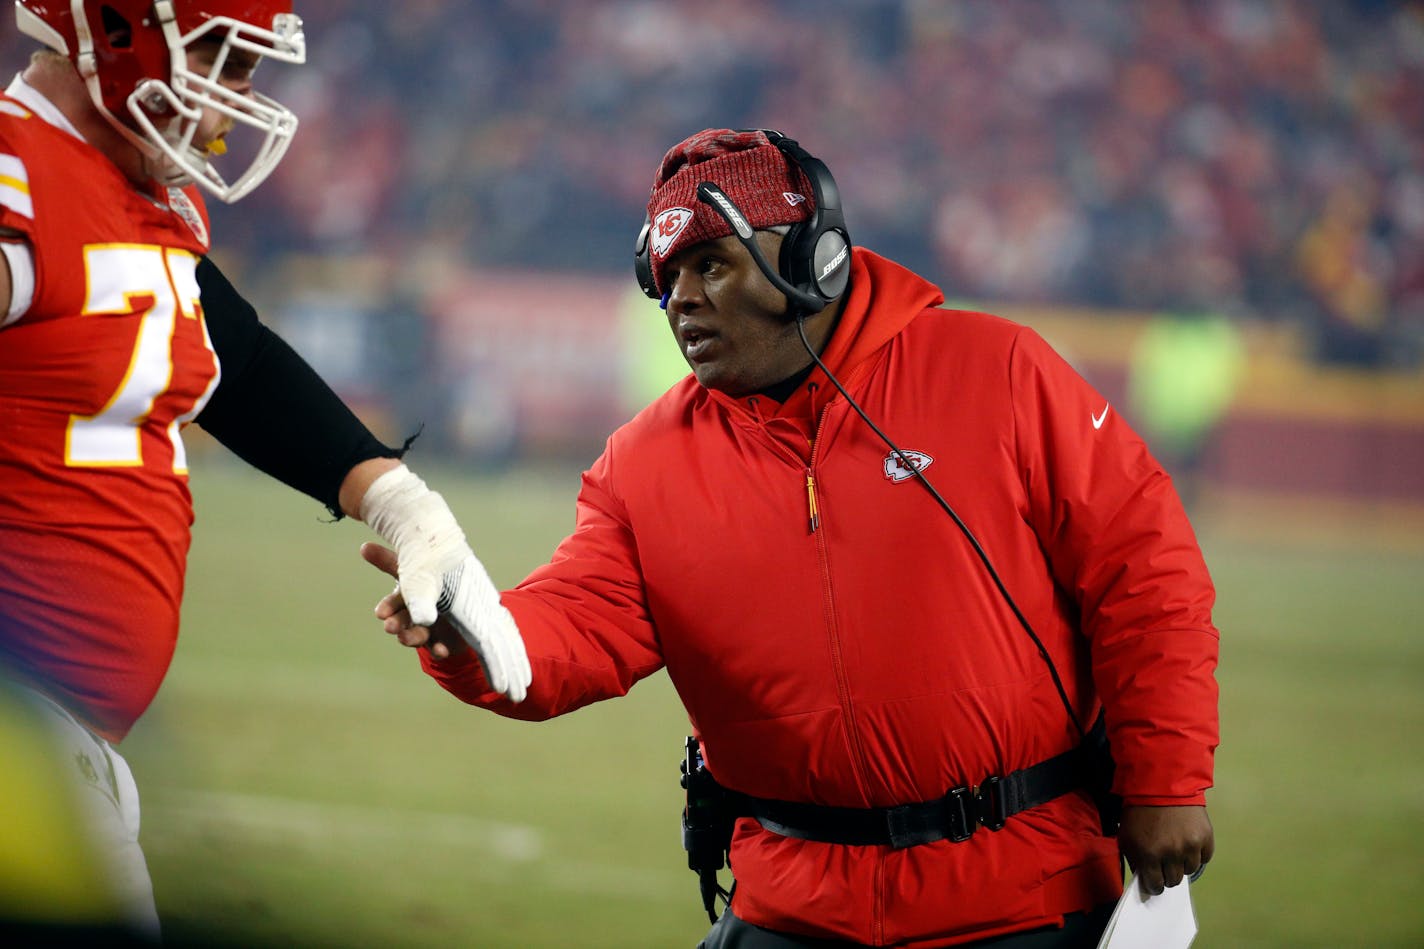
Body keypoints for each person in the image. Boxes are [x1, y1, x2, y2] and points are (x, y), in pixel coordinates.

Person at [363, 128, 1218, 948]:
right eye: (665, 276)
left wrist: (1166, 780)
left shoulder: (1002, 373)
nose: (681, 298)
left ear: (814, 261)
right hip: (790, 908)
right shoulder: (641, 464)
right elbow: (573, 632)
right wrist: (470, 631)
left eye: (710, 265)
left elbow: (1145, 573)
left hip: (1027, 900)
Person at [0, 2, 529, 941]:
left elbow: (237, 362)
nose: (237, 97)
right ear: (114, 30)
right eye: (222, 58)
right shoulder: (15, 175)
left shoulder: (143, 189)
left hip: (74, 736)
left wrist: (401, 502)